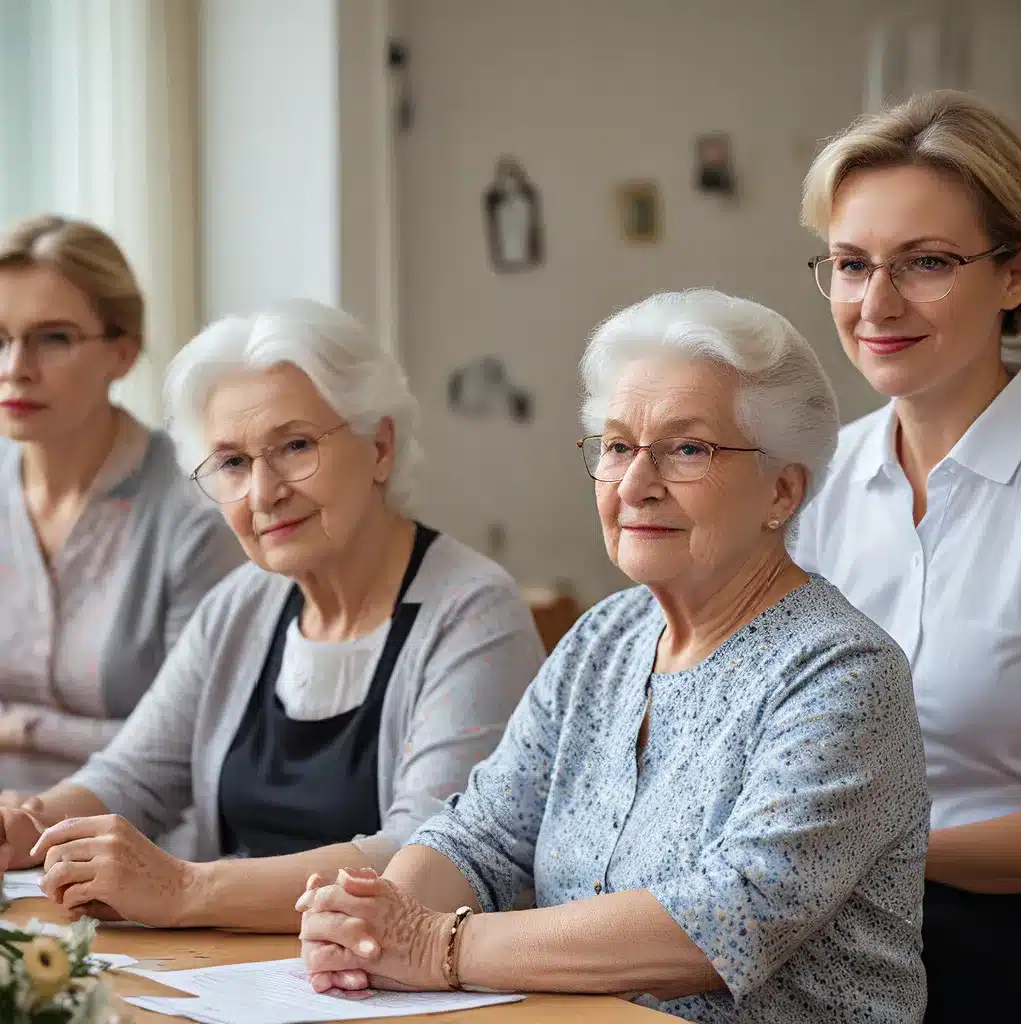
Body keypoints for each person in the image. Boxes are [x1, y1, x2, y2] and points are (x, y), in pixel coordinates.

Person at [296, 290, 931, 1024]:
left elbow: (726, 916)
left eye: (687, 449)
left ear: (782, 491)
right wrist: (376, 922)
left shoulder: (842, 673)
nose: (634, 485)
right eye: (619, 446)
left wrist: (437, 947)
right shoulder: (605, 638)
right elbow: (483, 834)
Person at [0, 299, 545, 932]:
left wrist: (185, 888)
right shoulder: (240, 605)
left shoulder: (475, 613)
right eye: (232, 463)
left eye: (294, 446)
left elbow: (425, 860)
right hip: (234, 978)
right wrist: (31, 823)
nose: (264, 493)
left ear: (380, 446)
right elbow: (135, 775)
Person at [793, 90, 1021, 1023]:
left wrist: (868, 849)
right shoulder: (805, 487)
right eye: (852, 265)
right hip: (816, 936)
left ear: (1014, 275)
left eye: (926, 263)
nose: (876, 303)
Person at [0, 214, 242, 795]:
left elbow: (194, 739)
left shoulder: (198, 509)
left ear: (124, 353)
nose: (15, 368)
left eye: (53, 338)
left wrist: (23, 728)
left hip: (143, 848)